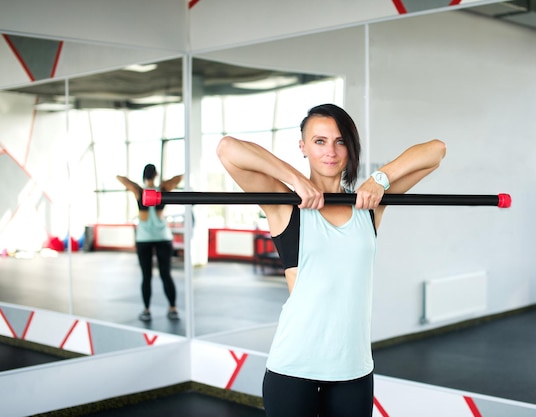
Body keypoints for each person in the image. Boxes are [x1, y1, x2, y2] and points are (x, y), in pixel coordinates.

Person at [217, 103, 446, 417]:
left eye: (340, 141)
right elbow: (228, 149)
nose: (331, 151)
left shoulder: (369, 206)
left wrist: (380, 179)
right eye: (319, 141)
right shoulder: (284, 206)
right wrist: (296, 181)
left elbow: (436, 151)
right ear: (303, 147)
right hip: (294, 366)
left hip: (353, 369)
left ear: (351, 149)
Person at [116, 164, 183, 322]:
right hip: (162, 237)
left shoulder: (139, 191)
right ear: (156, 174)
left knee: (146, 276)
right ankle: (172, 309)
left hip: (144, 239)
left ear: (144, 175)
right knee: (165, 275)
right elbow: (180, 177)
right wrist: (164, 182)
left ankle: (146, 310)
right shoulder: (163, 189)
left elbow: (120, 179)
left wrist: (136, 184)